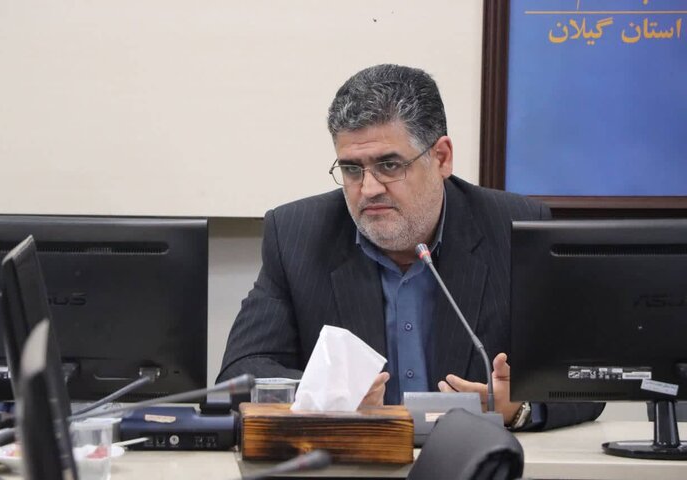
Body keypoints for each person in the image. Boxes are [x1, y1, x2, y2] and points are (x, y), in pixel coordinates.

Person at [217, 64, 603, 430]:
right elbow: (240, 374)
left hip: (472, 458)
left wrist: (518, 407)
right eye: (351, 169)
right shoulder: (297, 234)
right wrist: (332, 398)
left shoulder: (515, 229)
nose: (369, 189)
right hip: (355, 461)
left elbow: (586, 375)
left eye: (389, 165)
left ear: (441, 158)